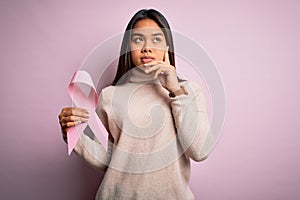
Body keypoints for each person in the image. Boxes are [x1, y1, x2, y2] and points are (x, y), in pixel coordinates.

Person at [58, 9, 214, 200]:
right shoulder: (109, 96)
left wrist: (175, 91)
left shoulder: (189, 92)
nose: (146, 47)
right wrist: (74, 134)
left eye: (156, 39)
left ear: (167, 47)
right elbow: (111, 159)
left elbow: (200, 150)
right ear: (128, 47)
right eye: (138, 39)